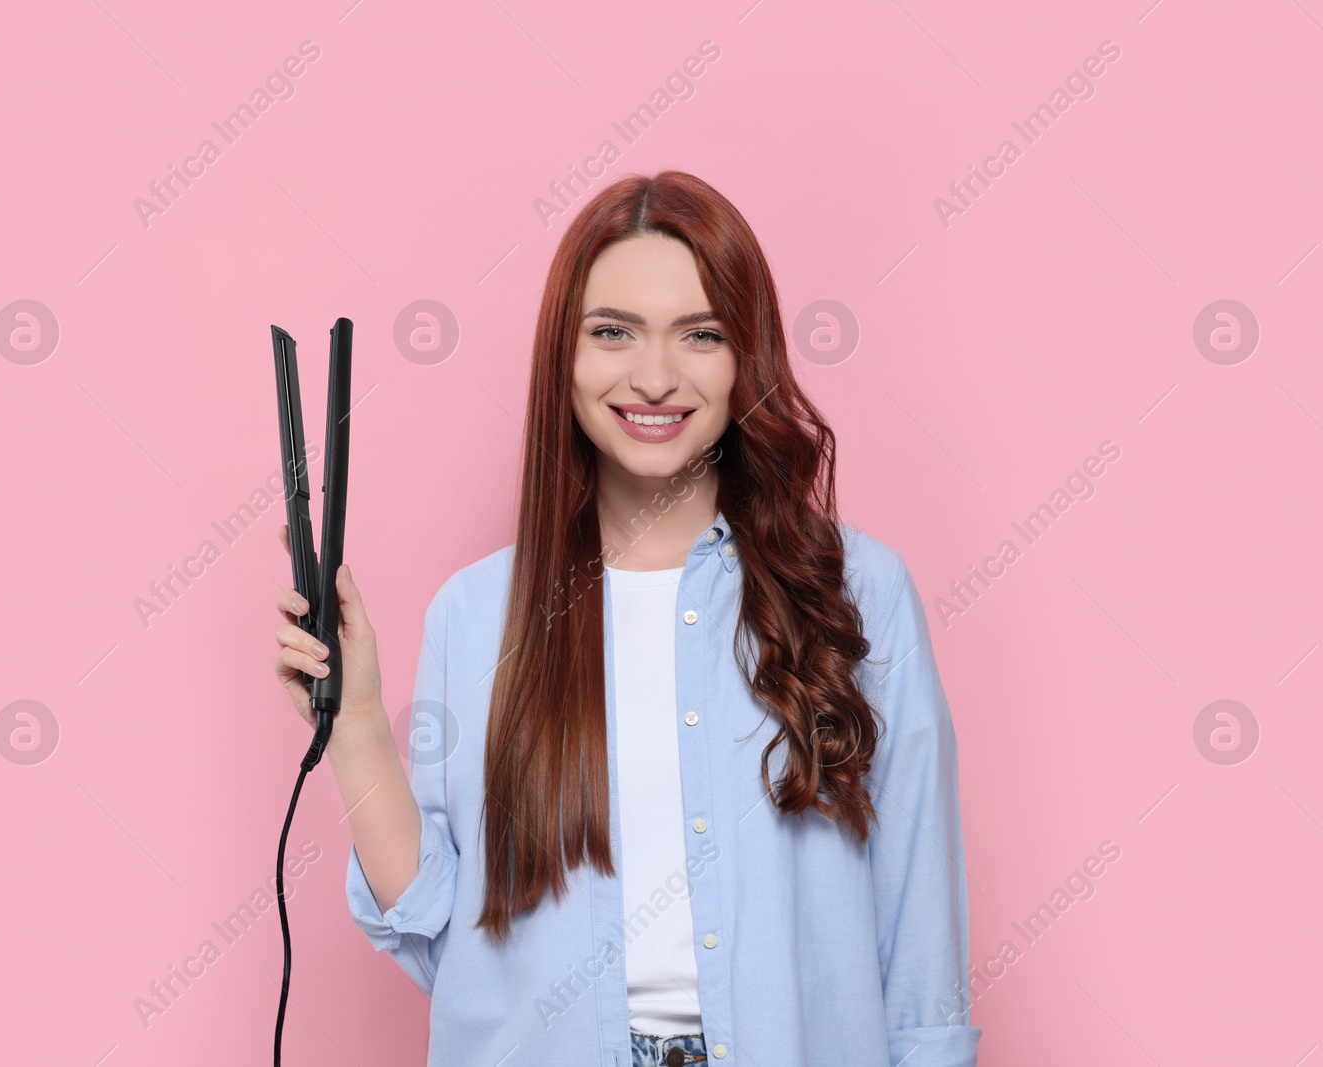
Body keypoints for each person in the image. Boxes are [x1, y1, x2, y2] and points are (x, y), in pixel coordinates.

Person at [272, 170, 981, 1066]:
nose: (654, 377)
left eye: (701, 335)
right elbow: (443, 942)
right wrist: (359, 723)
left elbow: (920, 920)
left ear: (746, 358)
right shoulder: (479, 612)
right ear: (563, 358)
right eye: (612, 333)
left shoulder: (860, 592)